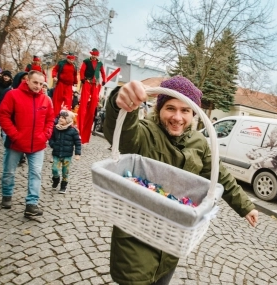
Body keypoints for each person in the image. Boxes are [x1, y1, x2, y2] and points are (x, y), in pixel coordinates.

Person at [103, 76, 259, 285]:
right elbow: (122, 133)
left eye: (185, 110)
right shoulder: (146, 132)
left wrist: (246, 206)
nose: (177, 117)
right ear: (159, 109)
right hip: (136, 243)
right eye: (170, 108)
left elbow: (220, 174)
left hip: (172, 243)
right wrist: (119, 101)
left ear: (193, 114)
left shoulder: (199, 143)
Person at [0, 70, 54, 217]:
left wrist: (45, 135)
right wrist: (15, 135)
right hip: (16, 142)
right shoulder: (13, 95)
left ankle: (31, 204)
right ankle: (7, 196)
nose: (38, 86)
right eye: (35, 82)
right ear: (27, 80)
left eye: (41, 84)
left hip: (37, 144)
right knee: (9, 171)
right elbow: (3, 115)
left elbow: (50, 120)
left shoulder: (46, 100)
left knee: (36, 173)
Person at [49, 110, 81, 194]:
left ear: (68, 120)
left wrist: (77, 153)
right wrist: (53, 144)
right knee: (54, 169)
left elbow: (77, 142)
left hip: (67, 155)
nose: (60, 119)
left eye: (63, 118)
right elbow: (51, 138)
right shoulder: (56, 128)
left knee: (65, 171)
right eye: (60, 117)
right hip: (56, 153)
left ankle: (63, 186)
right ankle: (56, 179)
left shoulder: (73, 131)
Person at [78, 48, 106, 144]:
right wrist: (82, 79)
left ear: (97, 55)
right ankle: (81, 121)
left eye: (96, 55)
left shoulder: (99, 63)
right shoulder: (86, 61)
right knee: (84, 101)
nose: (94, 56)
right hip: (87, 82)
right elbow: (82, 71)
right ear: (91, 54)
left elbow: (102, 72)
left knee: (94, 101)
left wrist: (104, 80)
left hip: (95, 83)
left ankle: (91, 112)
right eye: (93, 55)